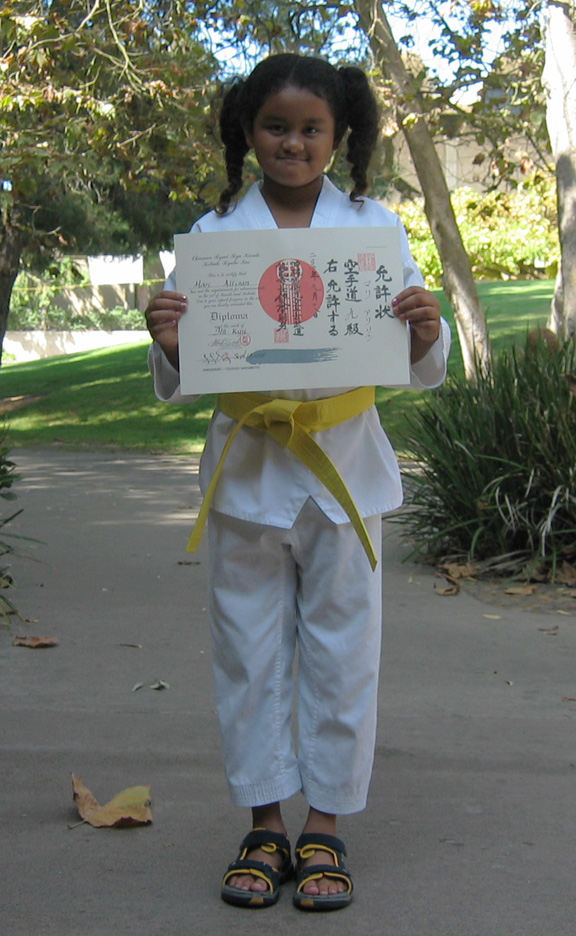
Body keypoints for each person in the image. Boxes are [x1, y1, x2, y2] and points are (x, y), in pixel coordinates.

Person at [145, 53, 451, 912]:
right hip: (247, 473)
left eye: (311, 128)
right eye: (276, 126)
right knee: (246, 653)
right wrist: (167, 341)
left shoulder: (373, 228)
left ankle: (326, 825)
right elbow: (182, 374)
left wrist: (425, 330)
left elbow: (423, 366)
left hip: (347, 472)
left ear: (338, 135)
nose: (293, 142)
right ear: (249, 132)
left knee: (345, 653)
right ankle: (263, 823)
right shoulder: (212, 240)